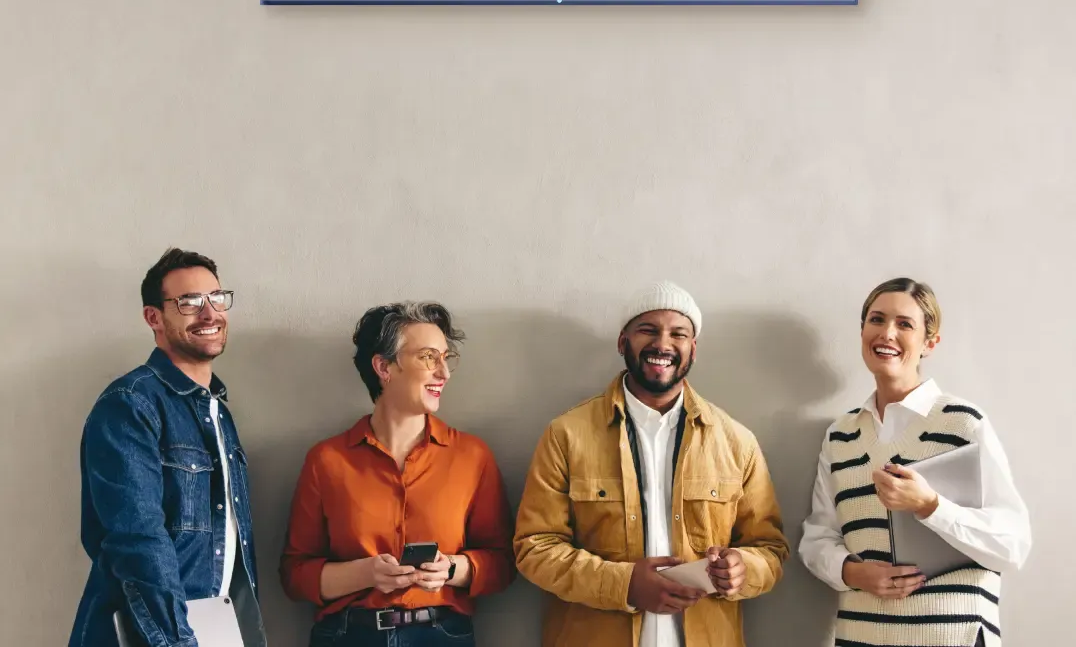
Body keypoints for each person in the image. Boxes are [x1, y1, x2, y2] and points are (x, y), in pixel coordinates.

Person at [514, 281, 788, 647]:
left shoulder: (737, 442)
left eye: (679, 333)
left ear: (694, 349)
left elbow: (769, 549)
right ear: (622, 341)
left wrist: (742, 569)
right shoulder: (566, 435)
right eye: (648, 330)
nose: (663, 344)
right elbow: (535, 547)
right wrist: (623, 585)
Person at [799, 277, 1031, 646]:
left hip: (952, 636)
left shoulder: (963, 422)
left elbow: (1013, 543)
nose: (887, 333)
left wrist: (930, 506)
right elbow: (818, 537)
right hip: (861, 636)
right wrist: (854, 573)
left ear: (929, 343)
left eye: (904, 324)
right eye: (876, 320)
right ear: (862, 331)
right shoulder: (840, 435)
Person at [280, 301, 515, 646]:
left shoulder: (472, 457)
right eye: (428, 357)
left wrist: (451, 569)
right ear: (383, 367)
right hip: (348, 635)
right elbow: (294, 576)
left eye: (446, 358)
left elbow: (503, 564)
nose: (443, 373)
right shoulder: (326, 460)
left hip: (442, 634)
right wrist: (365, 573)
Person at [69, 248, 266, 647]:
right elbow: (136, 541)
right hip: (157, 635)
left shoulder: (217, 412)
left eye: (216, 298)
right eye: (190, 302)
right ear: (153, 317)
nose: (210, 314)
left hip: (216, 627)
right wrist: (176, 641)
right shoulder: (130, 404)